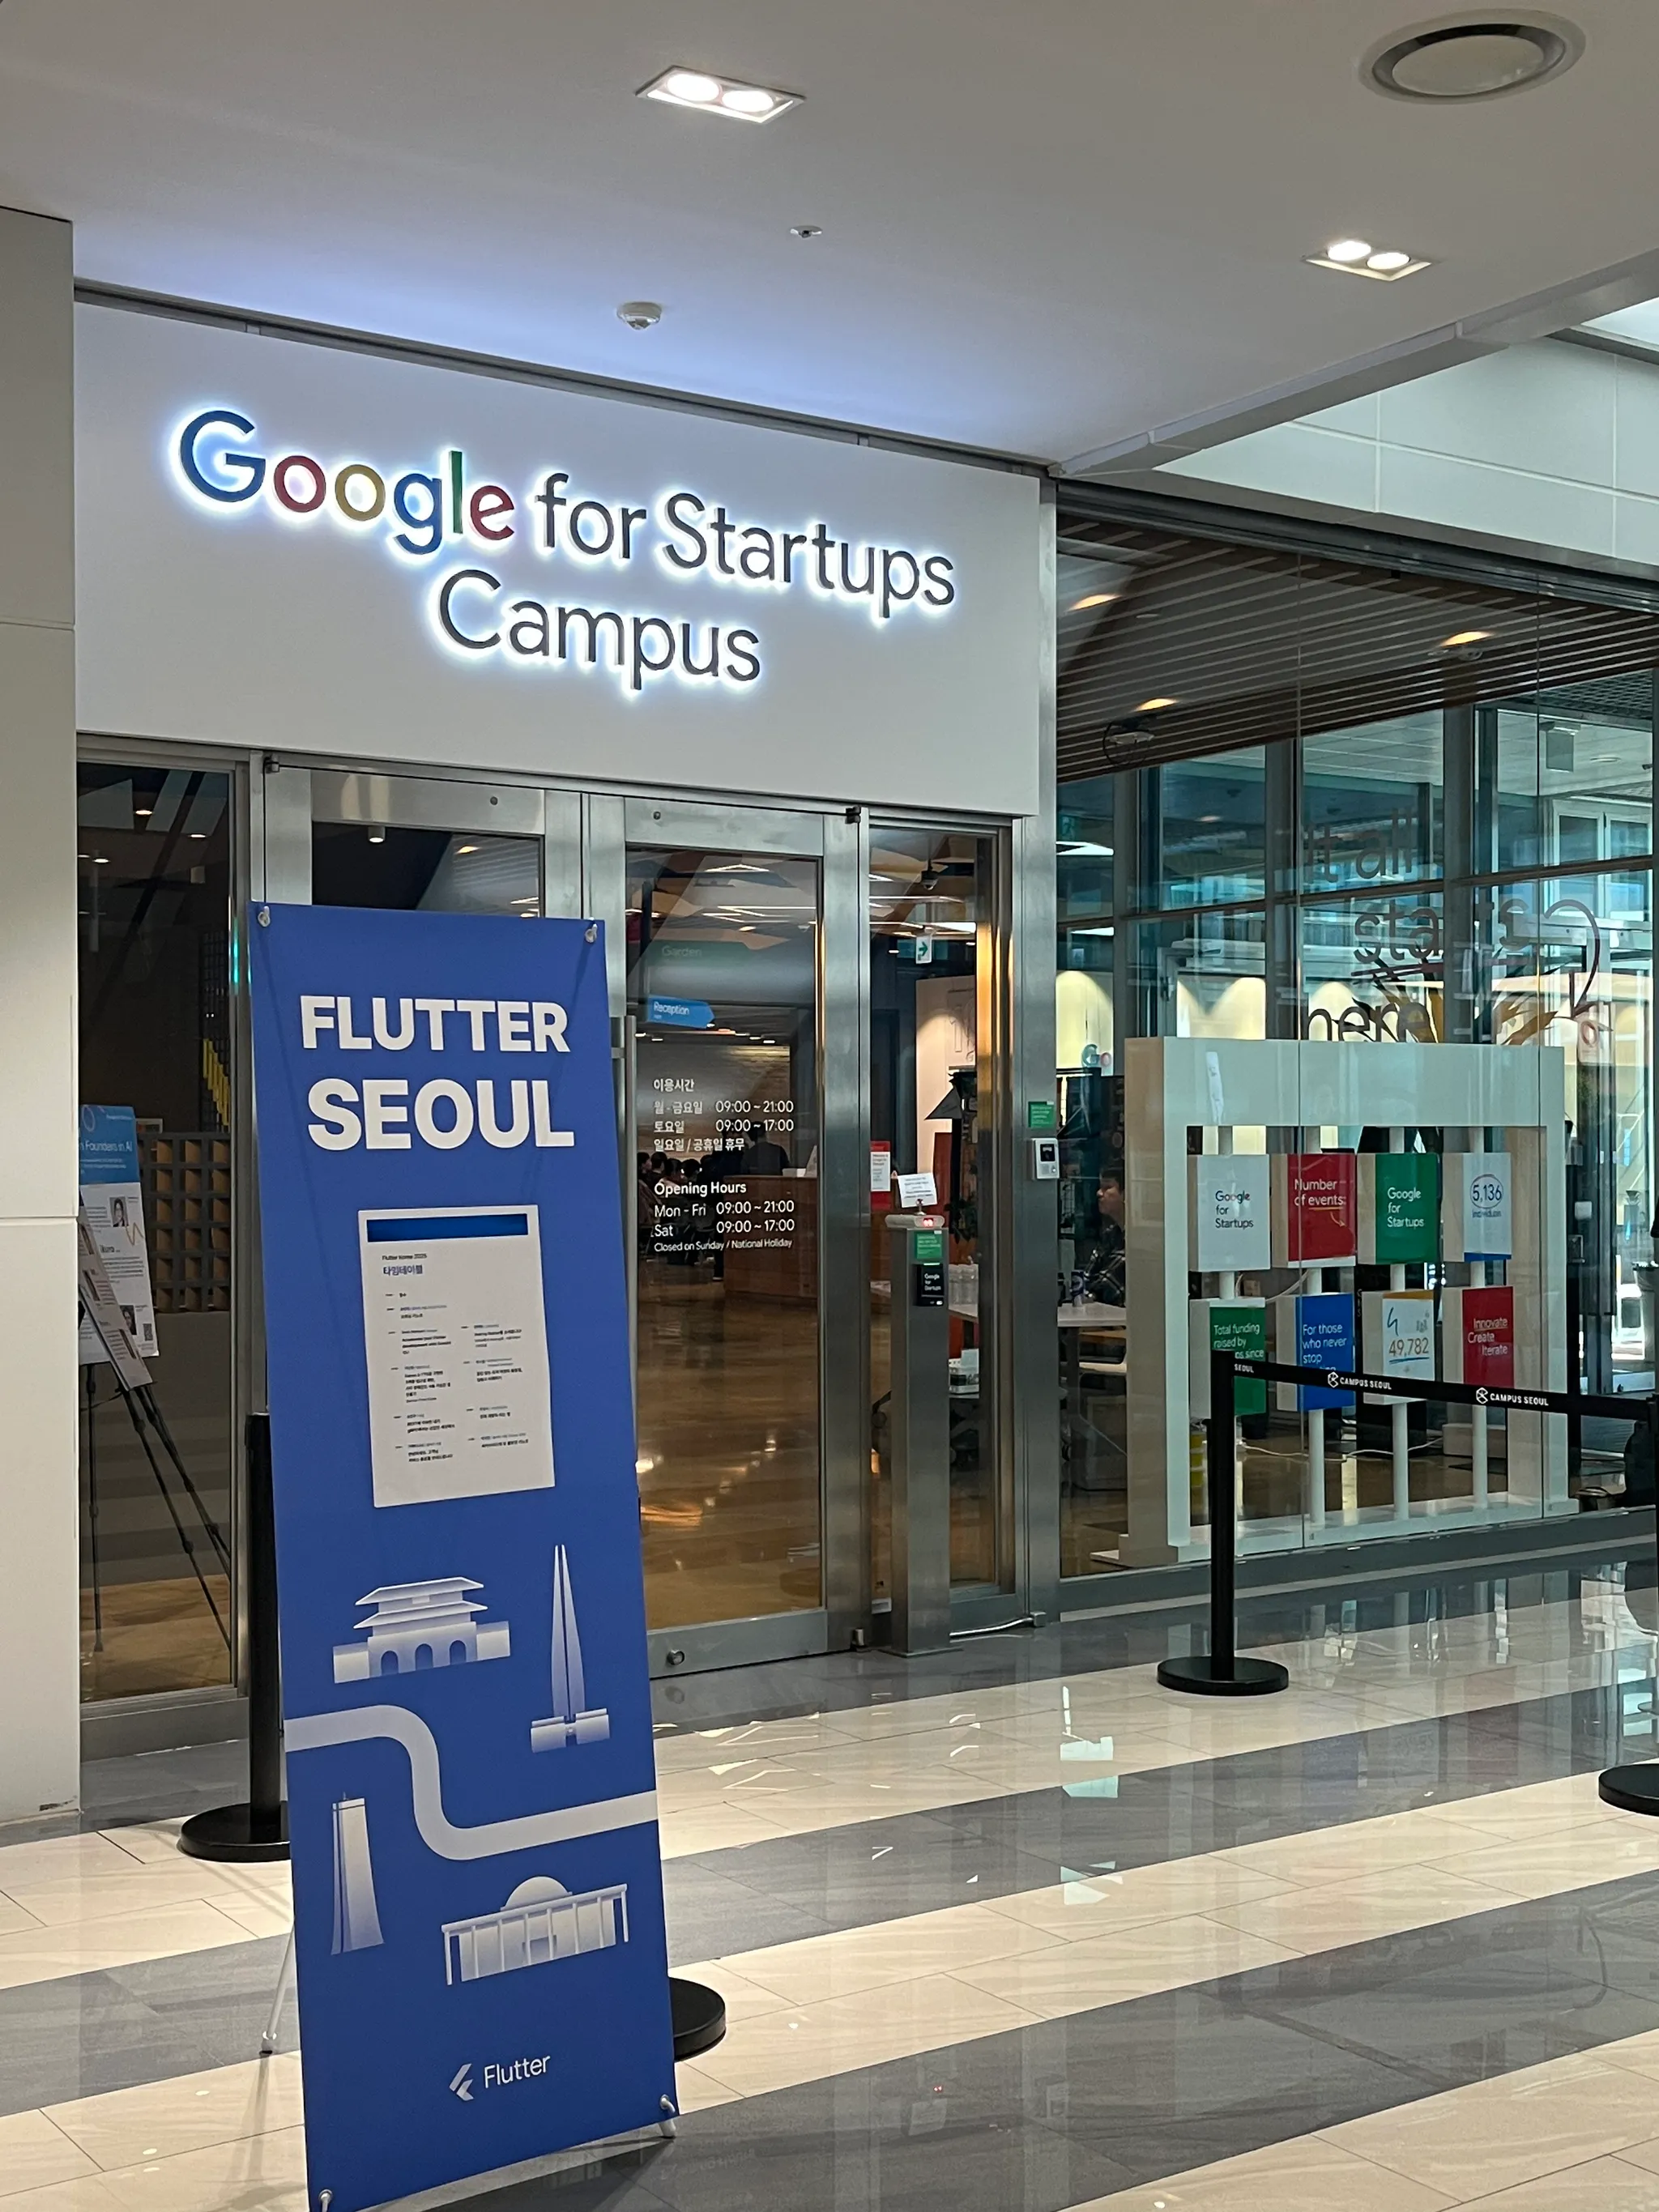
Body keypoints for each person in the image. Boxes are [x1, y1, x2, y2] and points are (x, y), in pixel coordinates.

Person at [1076, 1169, 1125, 1306]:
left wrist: (1090, 1294)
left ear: (1126, 1194)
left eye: (1107, 1187)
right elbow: (1087, 1279)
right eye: (1100, 1187)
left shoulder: (1138, 1240)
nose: (1099, 1193)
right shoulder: (1110, 1235)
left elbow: (1106, 1288)